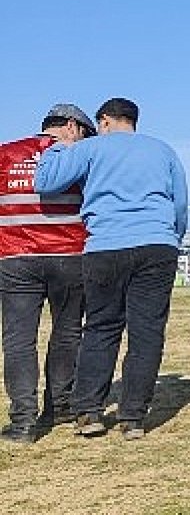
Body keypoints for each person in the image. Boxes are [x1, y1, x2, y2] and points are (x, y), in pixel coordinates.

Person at [34, 97, 188, 441]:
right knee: (147, 332)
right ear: (133, 121)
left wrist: (60, 146)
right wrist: (170, 238)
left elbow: (46, 182)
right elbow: (179, 204)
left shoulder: (91, 149)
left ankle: (88, 411)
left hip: (105, 244)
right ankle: (132, 417)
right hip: (156, 244)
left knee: (101, 327)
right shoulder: (163, 151)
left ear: (104, 121)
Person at [0, 104, 95, 443]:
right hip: (70, 256)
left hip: (16, 257)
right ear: (72, 126)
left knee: (18, 339)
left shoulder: (6, 153)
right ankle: (61, 405)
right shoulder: (79, 157)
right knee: (68, 333)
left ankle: (23, 422)